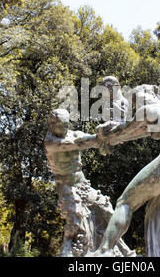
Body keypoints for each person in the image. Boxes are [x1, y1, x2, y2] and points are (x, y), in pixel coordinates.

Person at [88, 85, 160, 257]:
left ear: (143, 97)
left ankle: (103, 251)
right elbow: (141, 132)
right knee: (157, 209)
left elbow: (126, 131)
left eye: (135, 101)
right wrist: (112, 138)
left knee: (125, 202)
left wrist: (105, 136)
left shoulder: (148, 109)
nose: (136, 106)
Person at [44, 109, 134, 257]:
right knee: (75, 220)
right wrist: (98, 139)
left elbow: (86, 139)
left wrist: (108, 137)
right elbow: (74, 144)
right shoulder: (50, 143)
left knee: (108, 211)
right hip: (67, 187)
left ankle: (121, 248)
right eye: (61, 126)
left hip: (83, 184)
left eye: (67, 125)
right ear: (52, 125)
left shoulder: (74, 134)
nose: (65, 129)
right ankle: (66, 252)